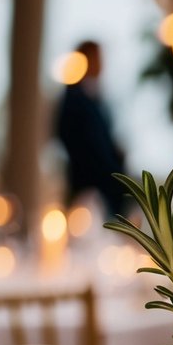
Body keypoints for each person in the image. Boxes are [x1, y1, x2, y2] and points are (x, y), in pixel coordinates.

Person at [55, 40, 129, 220]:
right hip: (88, 185)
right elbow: (69, 137)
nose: (101, 63)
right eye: (96, 58)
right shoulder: (73, 98)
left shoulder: (97, 96)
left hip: (108, 184)